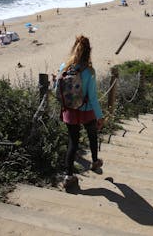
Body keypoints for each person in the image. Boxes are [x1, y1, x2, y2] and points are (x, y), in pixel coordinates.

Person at [58, 35, 104, 189]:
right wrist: (100, 116)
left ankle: (68, 177)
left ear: (74, 48)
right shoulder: (90, 71)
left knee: (73, 143)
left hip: (70, 110)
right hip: (86, 110)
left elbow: (56, 90)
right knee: (92, 135)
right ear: (89, 51)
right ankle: (95, 161)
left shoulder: (64, 67)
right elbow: (93, 97)